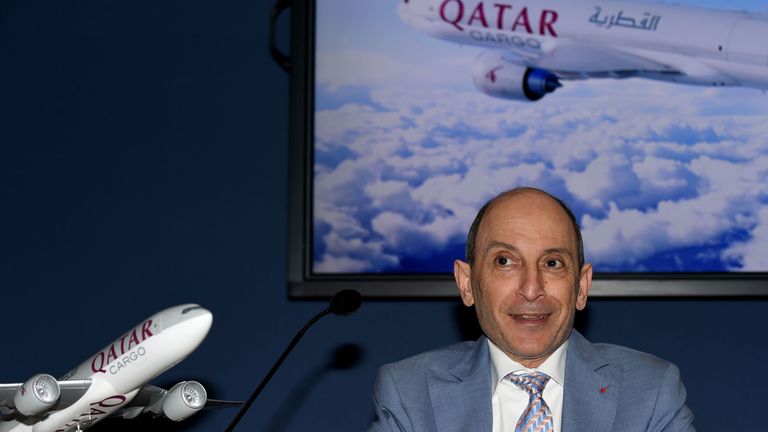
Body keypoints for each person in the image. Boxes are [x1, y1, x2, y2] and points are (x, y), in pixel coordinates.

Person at [368, 187, 695, 432]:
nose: (530, 289)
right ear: (467, 283)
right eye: (505, 262)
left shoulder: (650, 391)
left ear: (581, 287)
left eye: (552, 263)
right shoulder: (409, 393)